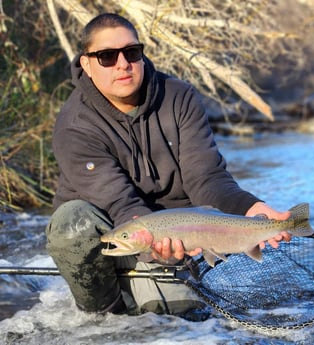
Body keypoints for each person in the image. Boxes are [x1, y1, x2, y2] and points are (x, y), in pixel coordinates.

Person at [46, 13, 291, 319]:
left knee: (174, 320)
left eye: (132, 52)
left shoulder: (179, 98)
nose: (123, 64)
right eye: (107, 56)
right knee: (72, 222)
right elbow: (118, 202)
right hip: (105, 236)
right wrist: (151, 241)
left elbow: (207, 178)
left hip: (177, 238)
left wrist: (249, 207)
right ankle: (102, 317)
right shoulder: (74, 125)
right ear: (86, 64)